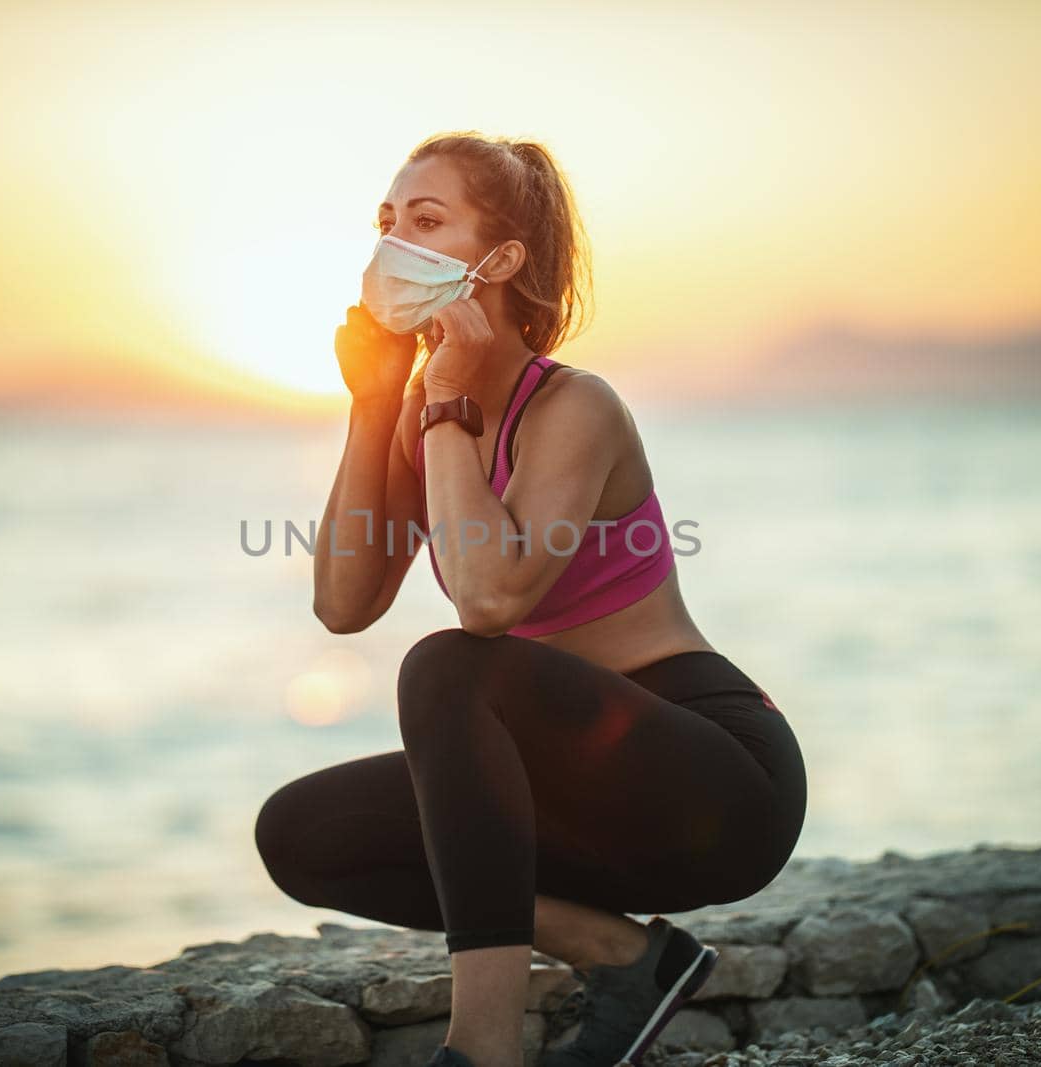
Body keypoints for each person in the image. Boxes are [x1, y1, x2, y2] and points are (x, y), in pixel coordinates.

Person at [254, 132, 807, 1067]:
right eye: (386, 223)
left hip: (713, 780)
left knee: (448, 668)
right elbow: (343, 604)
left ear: (500, 260)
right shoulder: (426, 412)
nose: (393, 244)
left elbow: (488, 603)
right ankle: (628, 956)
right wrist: (374, 402)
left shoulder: (574, 409)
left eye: (427, 222)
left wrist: (444, 406)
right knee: (303, 836)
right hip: (572, 793)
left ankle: (482, 1051)